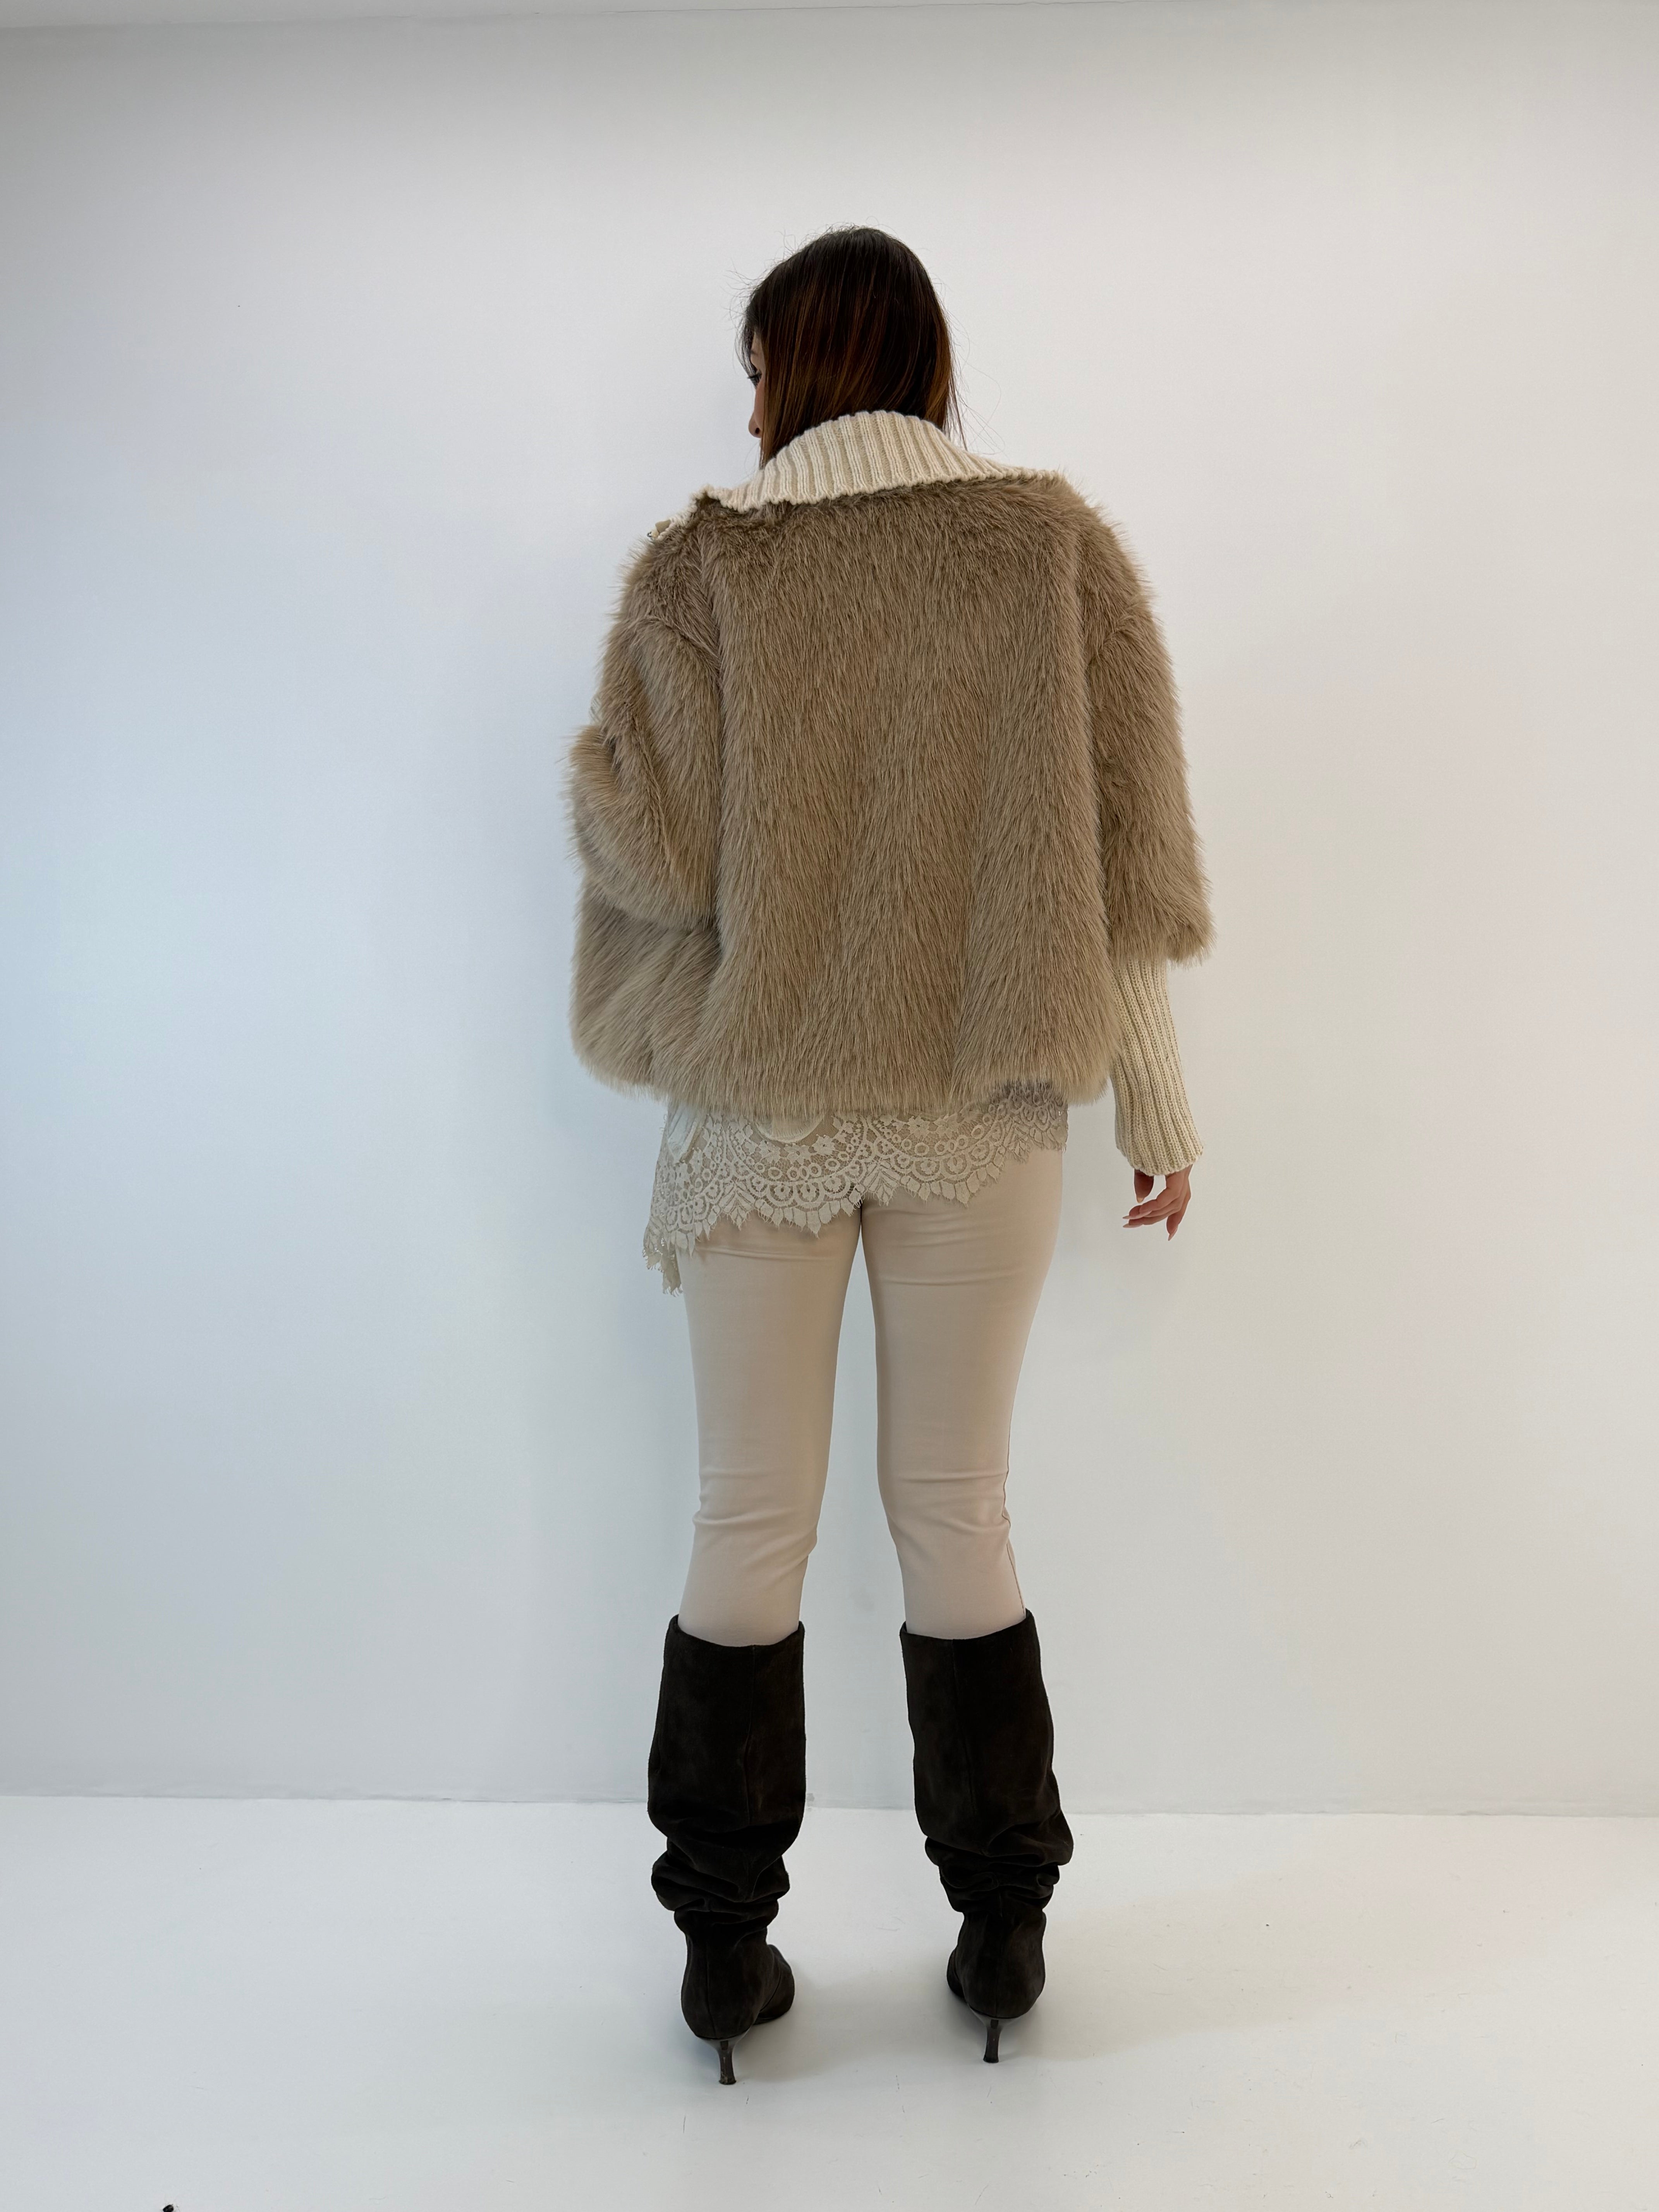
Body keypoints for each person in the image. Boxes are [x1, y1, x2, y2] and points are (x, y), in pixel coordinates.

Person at [566, 226, 1211, 2085]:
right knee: (959, 1506)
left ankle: (722, 1951)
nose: (745, 411)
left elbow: (652, 856)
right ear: (927, 363)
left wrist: (618, 771)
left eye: (756, 372)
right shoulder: (1050, 550)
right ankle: (1002, 1927)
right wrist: (1156, 1103)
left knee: (745, 1519)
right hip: (979, 1109)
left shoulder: (702, 568)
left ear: (793, 372)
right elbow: (1116, 862)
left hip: (762, 1111)